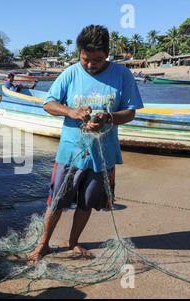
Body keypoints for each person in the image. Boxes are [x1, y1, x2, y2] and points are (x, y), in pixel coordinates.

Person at [27, 25, 144, 263]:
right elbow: (48, 104)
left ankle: (73, 242)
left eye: (97, 60)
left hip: (103, 156)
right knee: (57, 201)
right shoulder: (70, 73)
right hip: (70, 153)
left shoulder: (123, 75)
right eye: (85, 59)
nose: (90, 65)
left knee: (87, 203)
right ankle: (43, 245)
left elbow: (131, 112)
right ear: (79, 53)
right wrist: (71, 111)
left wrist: (108, 118)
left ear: (108, 52)